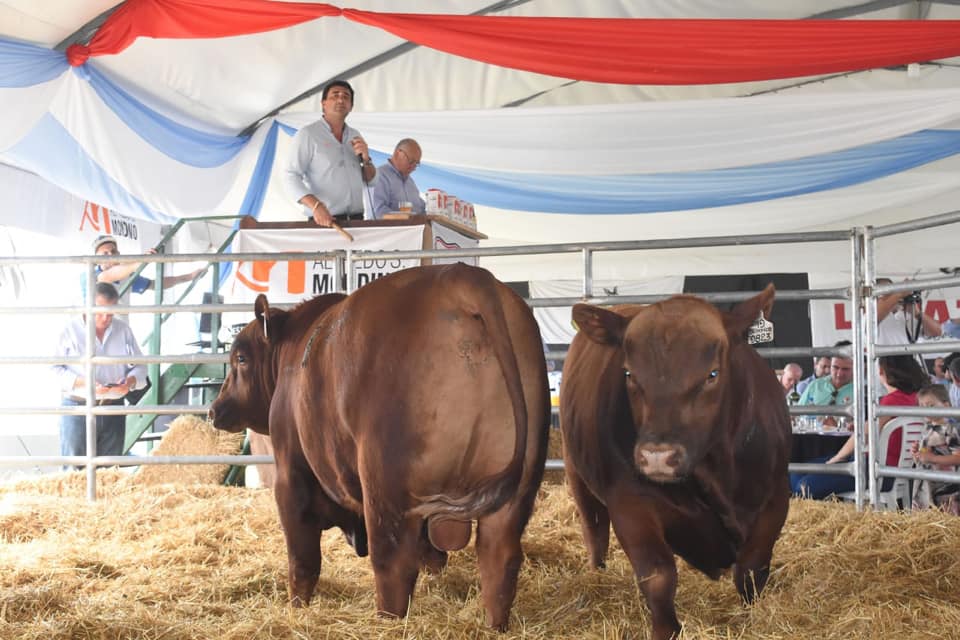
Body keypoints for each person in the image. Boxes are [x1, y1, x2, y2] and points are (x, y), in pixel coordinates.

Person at [790, 355, 928, 499]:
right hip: (895, 470)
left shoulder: (890, 401)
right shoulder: (916, 398)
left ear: (881, 371)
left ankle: (811, 506)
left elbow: (863, 435)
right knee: (798, 473)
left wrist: (836, 459)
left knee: (804, 484)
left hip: (874, 470)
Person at [53, 282, 148, 463]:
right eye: (100, 311)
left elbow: (141, 366)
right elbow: (54, 369)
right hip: (78, 406)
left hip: (113, 406)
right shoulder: (69, 330)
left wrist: (129, 382)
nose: (105, 318)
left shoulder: (123, 330)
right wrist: (85, 382)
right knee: (74, 470)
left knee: (110, 470)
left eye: (110, 312)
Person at [281, 79, 376, 226]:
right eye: (335, 95)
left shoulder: (355, 135)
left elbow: (370, 180)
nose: (340, 100)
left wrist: (366, 159)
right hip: (325, 221)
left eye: (346, 97)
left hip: (357, 220)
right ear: (323, 103)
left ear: (351, 106)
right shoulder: (308, 134)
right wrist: (316, 206)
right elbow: (290, 176)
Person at [83, 235, 202, 305]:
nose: (110, 255)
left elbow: (155, 284)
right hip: (95, 333)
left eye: (113, 251)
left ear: (119, 253)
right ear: (96, 259)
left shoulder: (126, 276)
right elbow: (109, 276)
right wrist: (143, 260)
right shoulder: (93, 275)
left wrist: (189, 276)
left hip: (119, 331)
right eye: (105, 253)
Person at [911, 384, 960, 513]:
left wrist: (933, 458)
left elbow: (958, 458)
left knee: (946, 515)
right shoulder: (926, 428)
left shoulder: (950, 430)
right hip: (927, 484)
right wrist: (916, 453)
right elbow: (924, 455)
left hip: (945, 486)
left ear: (946, 405)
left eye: (931, 405)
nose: (926, 410)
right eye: (922, 406)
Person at [875, 278, 942, 344]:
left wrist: (916, 313)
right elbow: (876, 316)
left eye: (891, 291)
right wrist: (901, 292)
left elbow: (937, 332)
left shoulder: (907, 314)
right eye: (884, 293)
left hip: (912, 351)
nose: (889, 295)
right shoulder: (873, 316)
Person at [372, 138, 426, 219]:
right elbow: (379, 212)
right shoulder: (380, 176)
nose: (414, 167)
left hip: (415, 227)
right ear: (398, 153)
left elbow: (421, 209)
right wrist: (406, 217)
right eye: (411, 161)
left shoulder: (411, 183)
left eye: (416, 163)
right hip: (391, 227)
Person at [798, 341, 854, 407]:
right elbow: (798, 412)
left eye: (845, 369)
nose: (839, 374)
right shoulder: (815, 386)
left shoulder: (861, 390)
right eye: (835, 367)